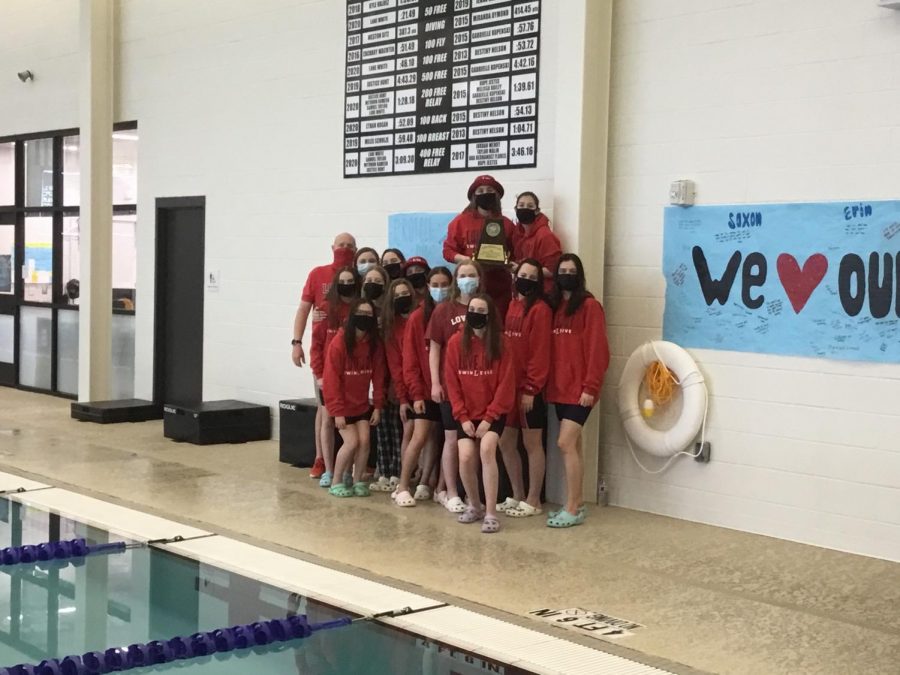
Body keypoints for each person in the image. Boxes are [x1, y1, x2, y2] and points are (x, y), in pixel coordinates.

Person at [545, 253, 610, 528]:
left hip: (581, 390)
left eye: (572, 271)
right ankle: (578, 501)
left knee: (565, 443)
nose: (566, 275)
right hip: (559, 389)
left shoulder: (590, 306)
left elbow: (599, 350)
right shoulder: (556, 307)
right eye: (562, 270)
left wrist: (590, 386)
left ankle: (571, 508)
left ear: (579, 275)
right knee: (575, 446)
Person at [444, 294, 515, 533]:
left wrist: (489, 418)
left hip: (492, 413)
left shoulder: (501, 344)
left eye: (480, 309)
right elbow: (451, 383)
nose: (475, 313)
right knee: (465, 456)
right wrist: (462, 417)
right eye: (471, 308)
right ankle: (474, 504)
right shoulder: (456, 343)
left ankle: (492, 512)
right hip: (466, 413)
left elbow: (506, 384)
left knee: (486, 449)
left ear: (489, 315)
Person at [292, 233, 357, 479]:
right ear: (332, 247)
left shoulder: (358, 277)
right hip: (324, 354)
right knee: (325, 409)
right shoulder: (317, 274)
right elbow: (303, 309)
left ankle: (348, 461)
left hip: (352, 358)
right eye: (341, 245)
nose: (345, 249)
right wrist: (296, 342)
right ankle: (321, 459)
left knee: (349, 407)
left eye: (350, 246)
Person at [497, 259, 552, 518]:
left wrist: (531, 388)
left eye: (532, 276)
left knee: (532, 444)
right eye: (522, 274)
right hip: (509, 387)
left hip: (529, 392)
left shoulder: (540, 310)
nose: (526, 279)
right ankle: (517, 494)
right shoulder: (512, 305)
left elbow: (540, 352)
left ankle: (534, 499)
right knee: (506, 441)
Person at [426, 261, 483, 513]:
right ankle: (450, 492)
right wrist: (436, 382)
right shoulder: (443, 311)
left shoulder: (484, 307)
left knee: (476, 445)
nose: (467, 279)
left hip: (478, 388)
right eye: (463, 275)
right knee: (451, 439)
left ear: (479, 279)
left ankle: (474, 495)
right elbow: (435, 348)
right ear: (456, 280)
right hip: (451, 387)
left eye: (472, 275)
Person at [395, 266, 453, 507]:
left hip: (450, 392)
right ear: (428, 288)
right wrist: (416, 393)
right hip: (426, 390)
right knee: (420, 435)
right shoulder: (418, 317)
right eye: (435, 285)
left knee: (441, 438)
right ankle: (402, 486)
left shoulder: (455, 314)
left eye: (444, 284)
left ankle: (430, 485)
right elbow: (410, 360)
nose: (439, 289)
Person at [322, 298, 385, 498]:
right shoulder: (339, 343)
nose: (364, 319)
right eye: (361, 314)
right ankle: (336, 479)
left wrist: (377, 406)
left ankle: (357, 480)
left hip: (361, 405)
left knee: (365, 441)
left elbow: (379, 375)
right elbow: (331, 380)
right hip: (343, 406)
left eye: (369, 315)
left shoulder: (373, 344)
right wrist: (337, 412)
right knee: (351, 443)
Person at [310, 267, 358, 488]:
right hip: (327, 377)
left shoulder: (359, 309)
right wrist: (319, 375)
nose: (347, 284)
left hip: (352, 377)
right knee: (328, 419)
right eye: (343, 281)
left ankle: (347, 471)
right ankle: (329, 469)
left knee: (352, 424)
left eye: (351, 281)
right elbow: (316, 346)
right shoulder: (325, 309)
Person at [443, 175, 517, 317]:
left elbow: (515, 254)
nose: (485, 193)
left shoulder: (507, 224)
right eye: (480, 190)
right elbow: (448, 251)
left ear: (496, 195)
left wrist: (508, 262)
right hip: (469, 287)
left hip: (499, 288)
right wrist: (467, 260)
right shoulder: (459, 222)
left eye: (489, 190)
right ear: (473, 196)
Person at [374, 278, 416, 493]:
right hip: (403, 388)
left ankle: (422, 480)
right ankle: (396, 474)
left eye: (405, 294)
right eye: (397, 296)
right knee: (403, 432)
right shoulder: (392, 327)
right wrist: (402, 397)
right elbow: (395, 364)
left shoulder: (419, 319)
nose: (402, 299)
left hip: (424, 387)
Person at [511, 192, 561, 294]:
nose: (525, 208)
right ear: (515, 209)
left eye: (530, 206)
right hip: (523, 291)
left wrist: (521, 270)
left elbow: (553, 270)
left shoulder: (545, 235)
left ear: (537, 211)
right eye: (521, 205)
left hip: (542, 292)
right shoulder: (517, 233)